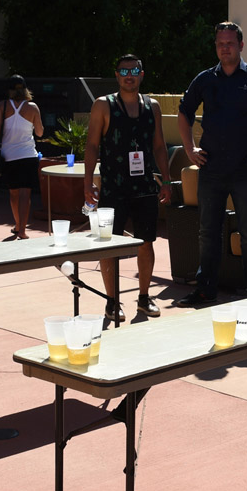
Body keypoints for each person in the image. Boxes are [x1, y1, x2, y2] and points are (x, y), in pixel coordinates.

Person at [176, 22, 247, 305]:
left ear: (241, 45)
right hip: (210, 168)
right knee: (207, 232)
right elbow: (184, 112)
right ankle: (205, 290)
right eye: (221, 43)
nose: (225, 48)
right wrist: (189, 149)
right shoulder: (204, 79)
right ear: (216, 47)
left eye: (230, 43)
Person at [84, 55, 172, 320]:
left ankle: (144, 298)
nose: (129, 75)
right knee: (108, 245)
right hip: (113, 186)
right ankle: (112, 301)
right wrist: (88, 181)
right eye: (124, 71)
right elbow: (91, 145)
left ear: (142, 74)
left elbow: (159, 145)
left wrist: (166, 180)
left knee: (146, 242)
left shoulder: (152, 106)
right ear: (117, 74)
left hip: (144, 185)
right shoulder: (104, 105)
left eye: (134, 70)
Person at [0, 75, 44, 240]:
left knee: (13, 193)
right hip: (28, 155)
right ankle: (22, 230)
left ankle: (17, 224)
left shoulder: (3, 105)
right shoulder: (33, 107)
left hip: (9, 155)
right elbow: (40, 132)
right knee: (25, 194)